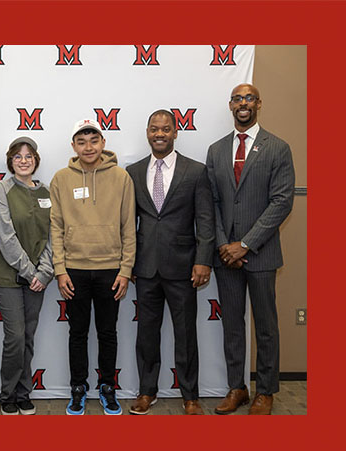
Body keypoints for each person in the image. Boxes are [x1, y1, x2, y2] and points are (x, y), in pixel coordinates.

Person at [206, 84, 295, 415]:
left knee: (266, 325)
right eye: (237, 99)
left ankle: (266, 391)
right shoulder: (216, 150)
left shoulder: (278, 147)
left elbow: (282, 202)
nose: (243, 104)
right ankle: (237, 388)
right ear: (230, 105)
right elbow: (211, 203)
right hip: (225, 257)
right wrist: (223, 245)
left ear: (259, 103)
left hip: (260, 254)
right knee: (232, 324)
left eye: (249, 98)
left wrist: (245, 245)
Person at [126, 110, 215, 415]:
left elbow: (205, 220)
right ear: (147, 132)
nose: (160, 134)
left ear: (176, 132)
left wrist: (204, 260)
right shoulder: (133, 171)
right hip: (146, 267)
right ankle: (146, 391)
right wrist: (129, 263)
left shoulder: (196, 171)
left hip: (184, 267)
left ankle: (190, 396)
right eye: (154, 129)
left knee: (186, 334)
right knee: (147, 334)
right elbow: (128, 223)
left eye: (166, 129)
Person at [50, 118, 136, 415]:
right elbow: (56, 227)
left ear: (103, 143)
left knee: (108, 332)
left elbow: (129, 227)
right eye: (82, 141)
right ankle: (78, 387)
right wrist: (60, 269)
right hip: (73, 270)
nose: (89, 147)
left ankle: (108, 386)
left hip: (111, 269)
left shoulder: (121, 178)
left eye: (94, 140)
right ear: (73, 145)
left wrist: (125, 270)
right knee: (77, 333)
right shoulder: (61, 178)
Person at [0, 137, 54, 415]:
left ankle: (23, 392)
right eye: (18, 156)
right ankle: (7, 394)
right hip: (9, 276)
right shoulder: (2, 189)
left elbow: (54, 234)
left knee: (28, 336)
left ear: (36, 160)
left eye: (29, 156)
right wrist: (31, 273)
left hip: (39, 277)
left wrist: (45, 271)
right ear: (10, 161)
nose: (24, 160)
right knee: (14, 337)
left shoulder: (46, 192)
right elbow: (5, 237)